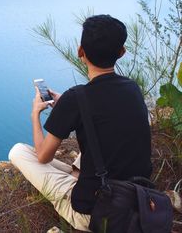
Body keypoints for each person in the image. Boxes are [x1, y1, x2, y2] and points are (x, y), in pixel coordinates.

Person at [8, 14, 152, 232]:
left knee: (18, 151)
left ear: (80, 51)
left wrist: (35, 115)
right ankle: (76, 174)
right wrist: (65, 107)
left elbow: (43, 157)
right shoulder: (132, 88)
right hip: (137, 197)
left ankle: (75, 183)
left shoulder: (76, 97)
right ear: (121, 52)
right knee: (105, 135)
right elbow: (104, 114)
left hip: (95, 212)